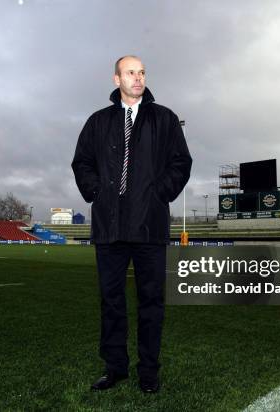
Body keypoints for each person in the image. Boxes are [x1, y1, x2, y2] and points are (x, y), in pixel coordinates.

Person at [72, 55, 192, 393]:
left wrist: (160, 193)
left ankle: (149, 372)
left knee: (151, 302)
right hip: (109, 227)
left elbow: (181, 162)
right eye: (130, 72)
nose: (137, 78)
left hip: (149, 225)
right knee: (111, 302)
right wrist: (95, 190)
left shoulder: (164, 119)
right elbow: (82, 161)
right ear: (116, 79)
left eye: (141, 72)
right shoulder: (98, 121)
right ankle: (115, 367)